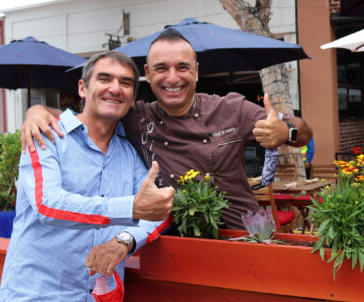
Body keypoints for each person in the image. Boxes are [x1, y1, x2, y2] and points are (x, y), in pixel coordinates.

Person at [22, 28, 312, 230]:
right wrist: (37, 111)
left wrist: (288, 134)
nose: (172, 78)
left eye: (182, 67)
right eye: (161, 68)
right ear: (147, 75)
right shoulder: (135, 116)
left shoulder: (232, 108)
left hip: (244, 234)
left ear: (196, 71)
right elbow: (88, 113)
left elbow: (303, 130)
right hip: (176, 238)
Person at [0, 51, 175, 302]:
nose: (115, 88)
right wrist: (130, 209)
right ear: (83, 88)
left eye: (125, 83)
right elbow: (48, 204)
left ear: (131, 96)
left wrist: (124, 241)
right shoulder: (46, 135)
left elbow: (158, 212)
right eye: (105, 78)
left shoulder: (128, 153)